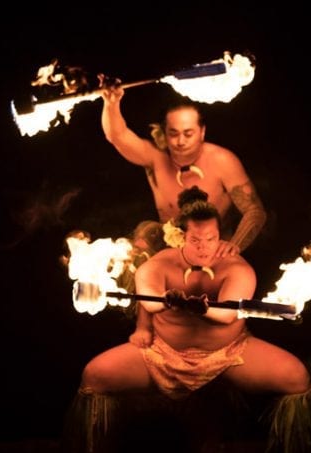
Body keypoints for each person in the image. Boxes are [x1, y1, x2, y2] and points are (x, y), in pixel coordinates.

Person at [61, 187, 311, 453]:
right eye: (196, 240)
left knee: (296, 376)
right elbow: (150, 304)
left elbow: (226, 316)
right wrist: (166, 301)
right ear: (180, 237)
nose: (204, 247)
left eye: (211, 239)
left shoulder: (237, 268)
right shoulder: (158, 264)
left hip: (228, 353)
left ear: (220, 237)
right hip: (161, 353)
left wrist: (201, 309)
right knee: (94, 375)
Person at [100, 83, 268, 347]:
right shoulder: (156, 158)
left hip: (214, 248)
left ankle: (226, 337)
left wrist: (235, 245)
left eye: (188, 133)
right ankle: (144, 326)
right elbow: (118, 136)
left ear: (202, 131)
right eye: (174, 133)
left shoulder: (222, 160)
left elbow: (255, 211)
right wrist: (111, 103)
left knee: (226, 295)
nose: (180, 141)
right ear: (165, 134)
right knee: (145, 236)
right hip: (169, 252)